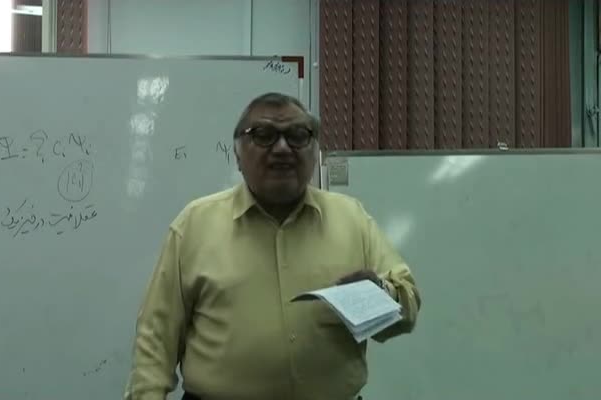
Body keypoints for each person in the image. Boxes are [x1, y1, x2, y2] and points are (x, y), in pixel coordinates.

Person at [124, 93, 421, 400]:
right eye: (263, 135)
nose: (282, 148)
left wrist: (380, 296)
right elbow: (155, 339)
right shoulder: (194, 225)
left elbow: (406, 308)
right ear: (237, 154)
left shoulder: (351, 218)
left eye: (298, 135)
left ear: (315, 149)